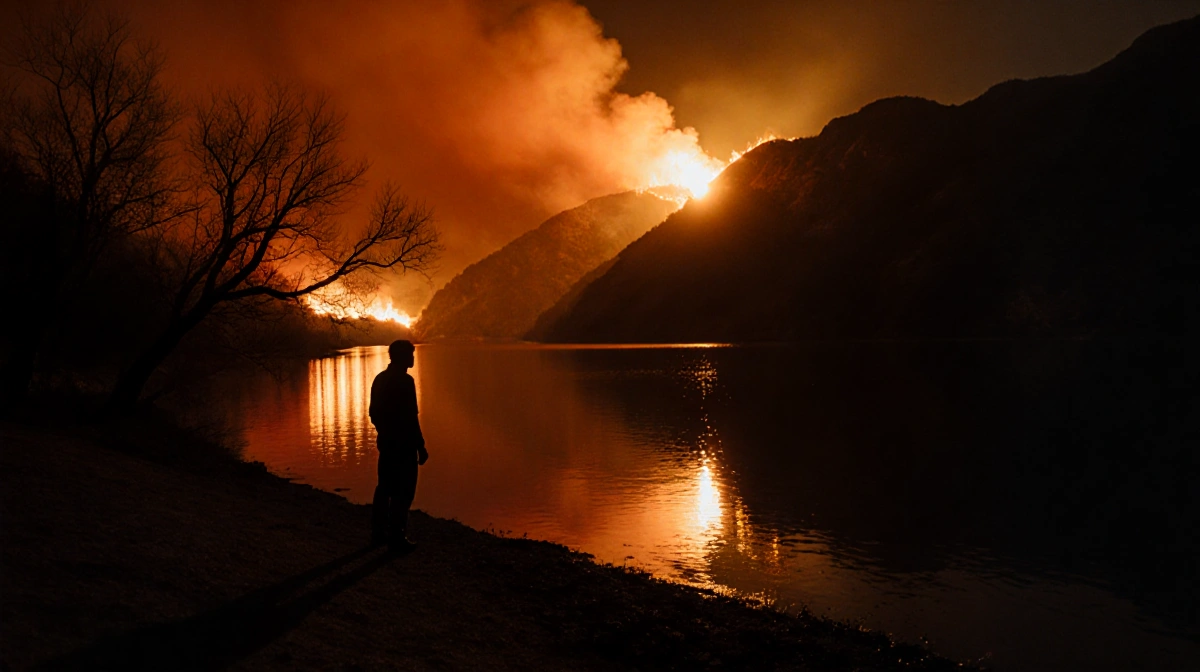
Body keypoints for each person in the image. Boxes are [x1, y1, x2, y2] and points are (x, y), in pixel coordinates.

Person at [369, 339, 428, 551]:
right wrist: (420, 446)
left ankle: (378, 532)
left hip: (386, 444)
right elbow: (412, 417)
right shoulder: (405, 381)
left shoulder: (380, 379)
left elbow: (373, 413)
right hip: (404, 446)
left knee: (384, 488)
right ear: (401, 357)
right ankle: (397, 536)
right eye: (410, 354)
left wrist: (384, 432)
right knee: (404, 492)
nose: (413, 358)